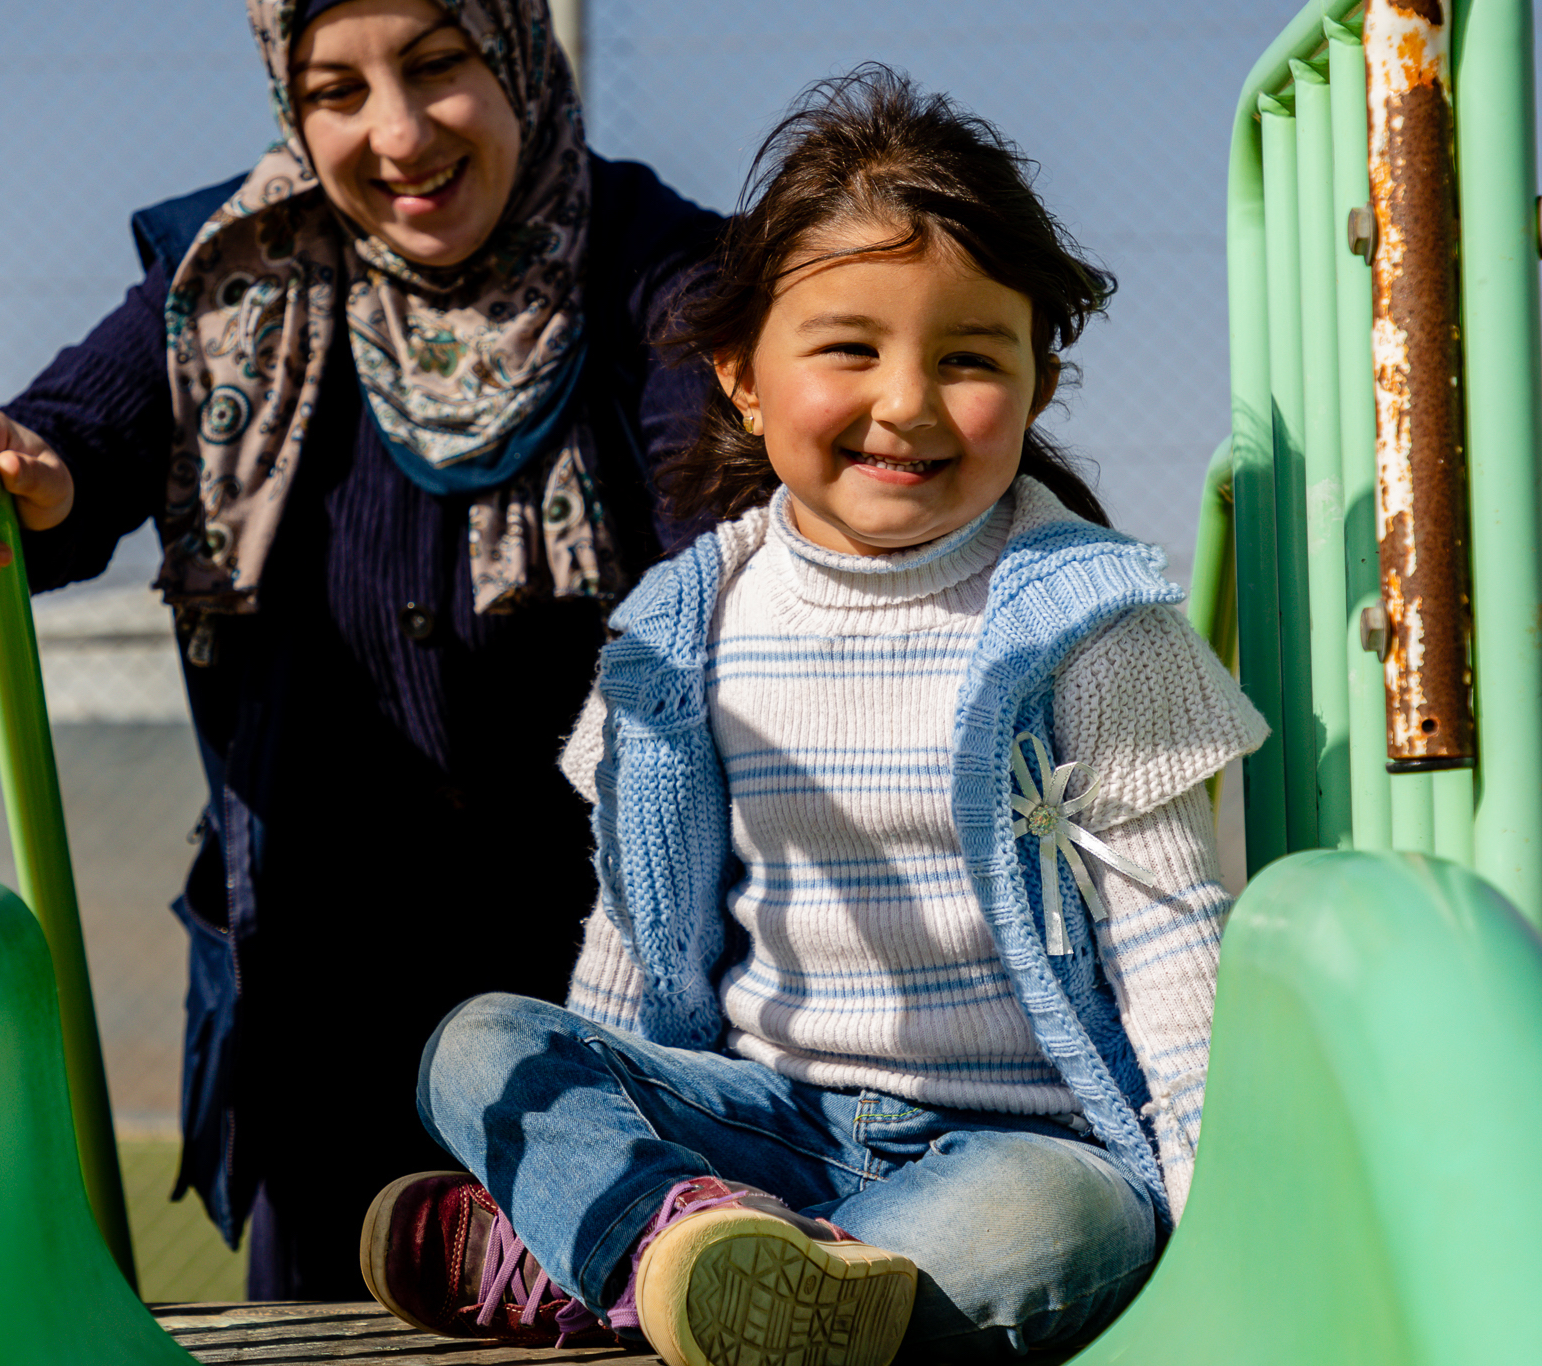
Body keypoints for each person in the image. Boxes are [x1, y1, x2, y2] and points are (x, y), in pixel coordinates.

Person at [360, 67, 1267, 1362]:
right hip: (756, 1125)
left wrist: (1216, 1232)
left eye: (968, 359)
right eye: (850, 348)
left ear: (1038, 385)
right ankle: (676, 1250)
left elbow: (1178, 956)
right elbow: (635, 930)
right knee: (482, 1045)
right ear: (740, 375)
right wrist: (614, 1155)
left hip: (1018, 1143)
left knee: (1055, 1226)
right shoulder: (684, 626)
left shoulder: (1093, 624)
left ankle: (690, 1287)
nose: (906, 401)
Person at [0, 0, 725, 1300]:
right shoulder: (235, 273)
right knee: (335, 1309)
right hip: (323, 988)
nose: (396, 133)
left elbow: (724, 505)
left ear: (517, 46)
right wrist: (27, 468)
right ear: (288, 100)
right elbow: (81, 444)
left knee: (621, 1307)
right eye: (336, 90)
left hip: (611, 986)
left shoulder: (657, 266)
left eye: (438, 66)